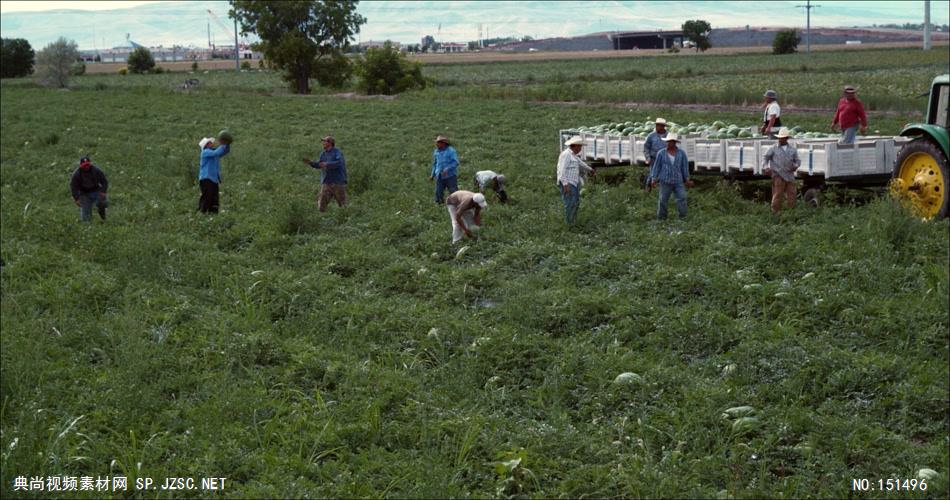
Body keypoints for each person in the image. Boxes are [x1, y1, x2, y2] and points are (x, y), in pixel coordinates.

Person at [649, 133, 693, 220]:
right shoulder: (661, 153)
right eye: (668, 142)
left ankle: (683, 217)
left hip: (678, 181)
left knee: (682, 198)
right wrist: (653, 179)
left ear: (675, 142)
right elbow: (657, 167)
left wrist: (687, 179)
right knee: (663, 200)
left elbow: (684, 167)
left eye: (671, 142)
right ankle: (662, 218)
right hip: (665, 181)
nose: (668, 143)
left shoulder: (681, 153)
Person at [761, 127, 801, 214]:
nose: (780, 139)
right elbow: (765, 158)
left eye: (782, 138)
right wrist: (766, 167)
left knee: (792, 195)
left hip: (789, 175)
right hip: (778, 175)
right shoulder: (773, 148)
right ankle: (775, 213)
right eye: (779, 138)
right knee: (778, 194)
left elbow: (797, 161)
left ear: (786, 139)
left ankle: (791, 212)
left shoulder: (792, 149)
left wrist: (796, 166)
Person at [556, 135, 595, 225]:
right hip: (568, 183)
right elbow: (561, 170)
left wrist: (591, 170)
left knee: (575, 202)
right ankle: (570, 223)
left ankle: (572, 221)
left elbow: (581, 164)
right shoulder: (566, 155)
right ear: (575, 145)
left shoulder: (573, 155)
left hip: (573, 183)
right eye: (580, 146)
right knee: (570, 203)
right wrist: (565, 184)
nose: (580, 148)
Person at [303, 136, 348, 211]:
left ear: (330, 143)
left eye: (325, 141)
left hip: (338, 182)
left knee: (343, 205)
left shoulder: (337, 152)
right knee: (321, 204)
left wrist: (327, 164)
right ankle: (321, 219)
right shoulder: (323, 154)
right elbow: (320, 165)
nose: (323, 143)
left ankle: (346, 218)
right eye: (323, 141)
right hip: (326, 183)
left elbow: (339, 163)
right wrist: (311, 163)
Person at [69, 155, 109, 222]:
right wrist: (76, 199)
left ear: (90, 163)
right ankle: (89, 227)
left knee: (103, 203)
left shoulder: (96, 170)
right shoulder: (77, 174)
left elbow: (104, 181)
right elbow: (73, 187)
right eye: (84, 165)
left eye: (87, 164)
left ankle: (102, 214)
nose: (86, 166)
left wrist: (103, 191)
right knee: (86, 219)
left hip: (96, 191)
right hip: (84, 194)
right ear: (81, 165)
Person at [197, 136, 230, 213]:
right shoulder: (205, 152)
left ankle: (213, 214)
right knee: (207, 197)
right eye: (210, 143)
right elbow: (217, 152)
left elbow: (224, 151)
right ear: (206, 145)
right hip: (206, 178)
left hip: (213, 179)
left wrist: (227, 144)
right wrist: (223, 144)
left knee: (214, 198)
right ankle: (202, 212)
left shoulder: (213, 153)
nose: (212, 143)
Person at [429, 135, 459, 204]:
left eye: (438, 143)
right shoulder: (436, 152)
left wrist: (447, 169)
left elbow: (455, 162)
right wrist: (432, 174)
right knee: (438, 191)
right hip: (439, 175)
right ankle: (439, 204)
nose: (436, 144)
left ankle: (457, 204)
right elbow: (435, 164)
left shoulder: (451, 151)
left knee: (453, 191)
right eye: (436, 142)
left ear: (443, 143)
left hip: (450, 176)